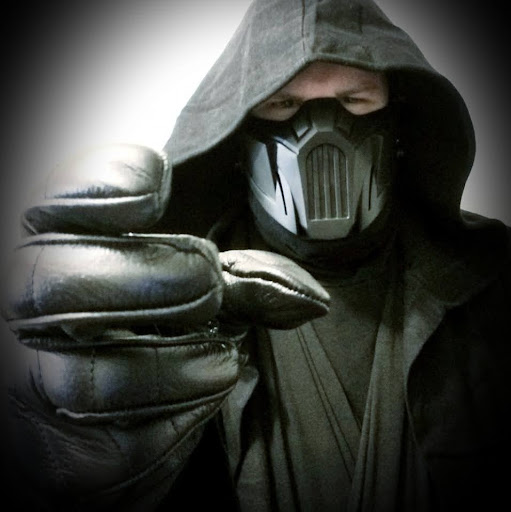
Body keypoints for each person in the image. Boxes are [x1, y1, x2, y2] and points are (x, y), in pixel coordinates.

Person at [2, 0, 510, 510]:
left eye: (354, 100)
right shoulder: (168, 310)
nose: (322, 133)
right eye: (283, 104)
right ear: (237, 134)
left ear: (399, 125)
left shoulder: (495, 279)